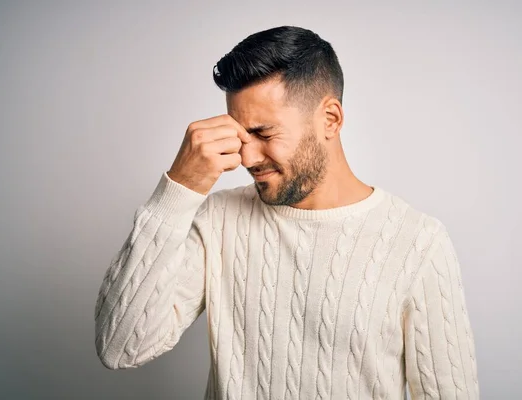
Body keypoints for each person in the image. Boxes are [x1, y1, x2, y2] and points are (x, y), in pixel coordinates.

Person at [94, 25, 479, 400]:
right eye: (242, 136)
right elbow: (121, 347)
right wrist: (178, 189)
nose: (247, 156)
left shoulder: (417, 242)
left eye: (263, 134)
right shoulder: (219, 219)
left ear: (330, 119)